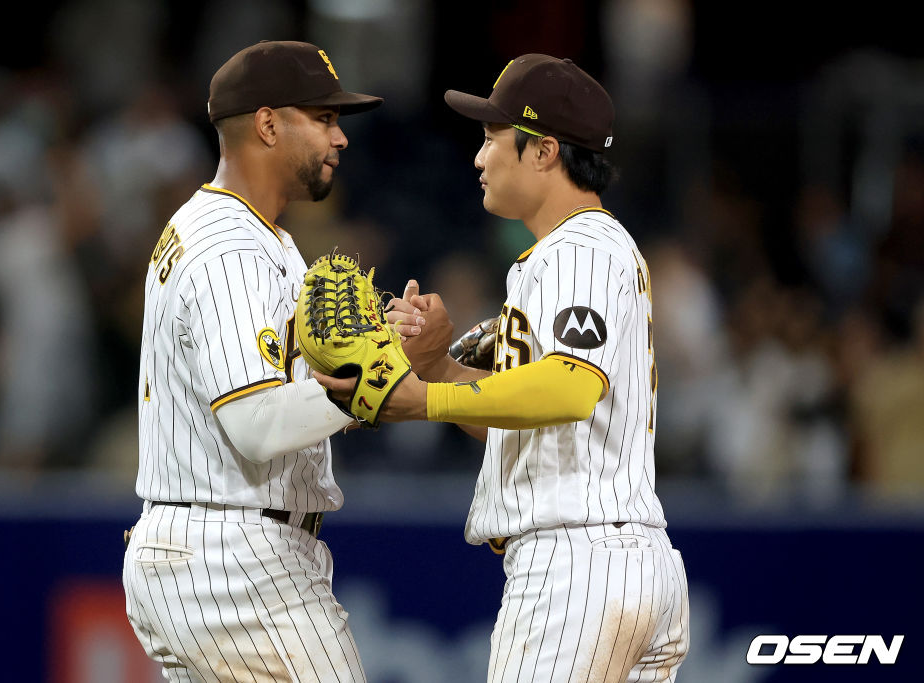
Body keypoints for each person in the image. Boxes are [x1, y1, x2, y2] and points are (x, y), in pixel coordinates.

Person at [317, 54, 690, 682]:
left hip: (577, 564)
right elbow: (520, 419)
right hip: (616, 557)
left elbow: (572, 387)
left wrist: (424, 402)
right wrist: (436, 367)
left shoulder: (581, 246)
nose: (478, 156)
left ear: (543, 151)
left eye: (491, 136)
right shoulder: (566, 252)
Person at [121, 40, 388, 682]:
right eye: (322, 118)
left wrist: (382, 362)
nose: (340, 137)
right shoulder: (230, 249)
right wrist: (377, 376)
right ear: (267, 124)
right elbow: (257, 424)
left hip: (209, 542)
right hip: (235, 559)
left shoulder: (248, 233)